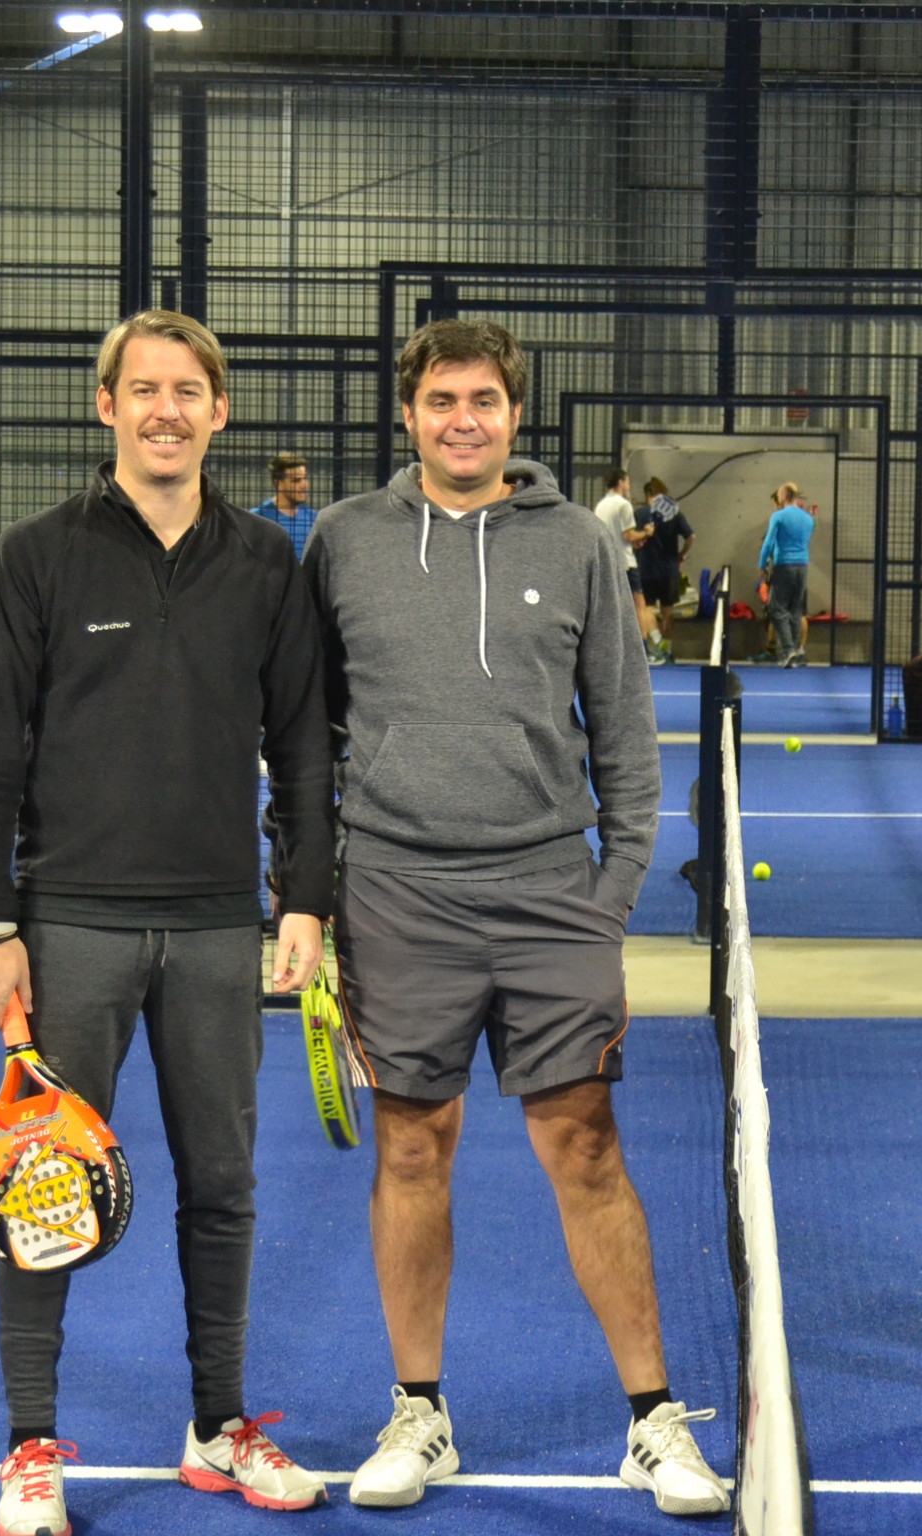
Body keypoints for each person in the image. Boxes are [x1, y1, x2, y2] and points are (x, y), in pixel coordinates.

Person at [306, 318, 727, 1517]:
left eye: (483, 400)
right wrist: (317, 893)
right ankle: (419, 1414)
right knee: (410, 1148)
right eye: (441, 400)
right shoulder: (343, 541)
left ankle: (653, 1422)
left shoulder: (580, 543)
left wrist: (612, 891)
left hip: (550, 894)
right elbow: (307, 730)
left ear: (514, 415)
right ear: (408, 415)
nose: (463, 421)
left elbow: (626, 733)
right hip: (395, 896)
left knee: (584, 1146)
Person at [0, 310, 337, 1536]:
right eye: (143, 388)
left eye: (188, 390)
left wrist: (306, 896)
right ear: (107, 406)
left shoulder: (267, 564)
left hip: (219, 927)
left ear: (219, 412)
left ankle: (218, 1428)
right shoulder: (35, 558)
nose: (165, 409)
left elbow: (304, 748)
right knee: (46, 1187)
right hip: (72, 926)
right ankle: (30, 1450)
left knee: (223, 1185)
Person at [594, 469, 659, 661]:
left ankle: (607, 650)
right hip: (625, 564)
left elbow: (618, 537)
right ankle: (643, 650)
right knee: (639, 605)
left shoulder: (601, 506)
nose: (629, 486)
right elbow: (629, 535)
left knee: (608, 607)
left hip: (605, 562)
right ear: (621, 482)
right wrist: (646, 533)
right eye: (628, 482)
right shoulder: (624, 505)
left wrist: (637, 541)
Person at [634, 476, 695, 665]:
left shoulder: (640, 513)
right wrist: (682, 554)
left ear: (647, 495)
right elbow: (691, 536)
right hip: (669, 570)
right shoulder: (675, 514)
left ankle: (656, 646)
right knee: (668, 611)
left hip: (646, 569)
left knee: (646, 608)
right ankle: (667, 650)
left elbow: (633, 539)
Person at [758, 482, 814, 667]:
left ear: (783, 497)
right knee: (796, 610)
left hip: (784, 565)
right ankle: (796, 651)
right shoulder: (808, 519)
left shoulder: (778, 516)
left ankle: (788, 650)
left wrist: (762, 564)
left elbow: (769, 542)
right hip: (803, 566)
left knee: (777, 609)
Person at [250, 451, 319, 556]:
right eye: (296, 480)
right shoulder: (258, 517)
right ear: (278, 483)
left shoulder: (313, 518)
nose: (304, 485)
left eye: (305, 478)